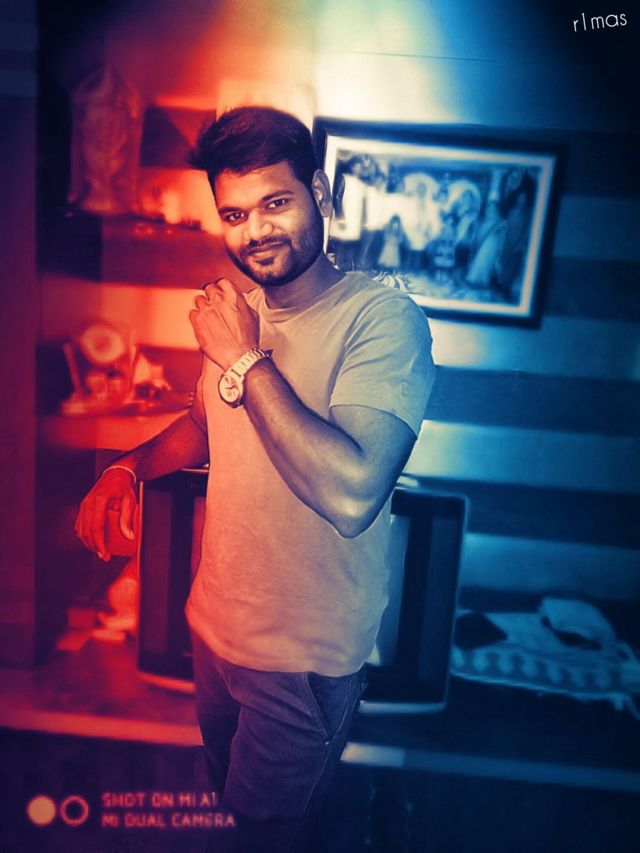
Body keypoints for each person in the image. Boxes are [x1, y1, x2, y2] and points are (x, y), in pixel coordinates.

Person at [75, 106, 435, 852]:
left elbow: (352, 493)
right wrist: (127, 466)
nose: (255, 231)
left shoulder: (382, 320)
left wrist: (243, 357)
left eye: (276, 202)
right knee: (231, 818)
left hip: (302, 661)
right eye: (235, 214)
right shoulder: (235, 317)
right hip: (215, 632)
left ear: (320, 195)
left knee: (256, 840)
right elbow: (206, 422)